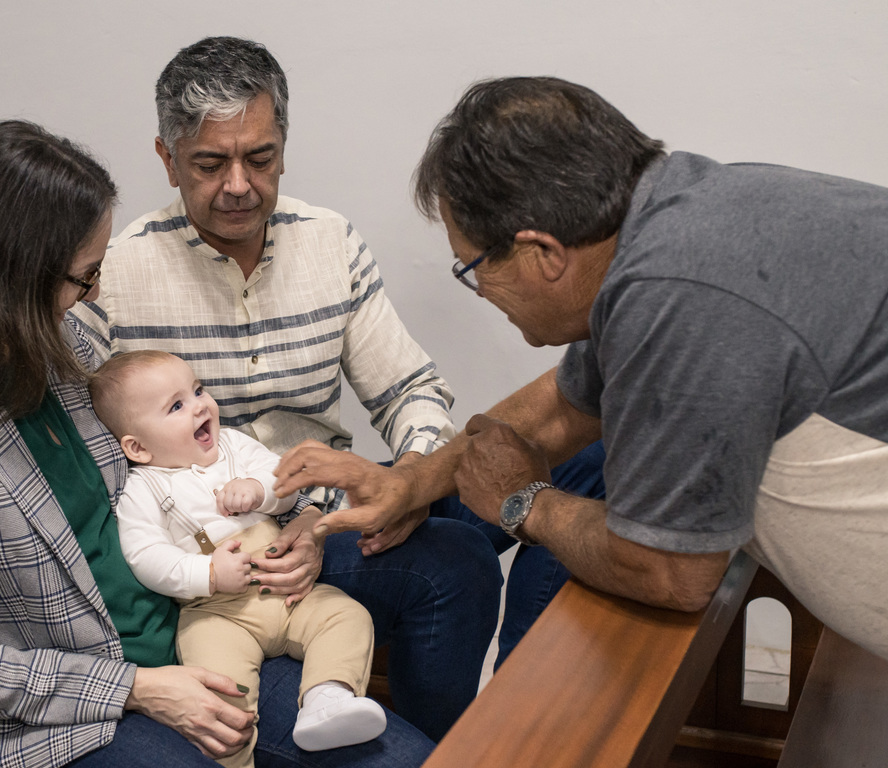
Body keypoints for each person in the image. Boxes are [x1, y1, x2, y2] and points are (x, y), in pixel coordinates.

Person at [274, 76, 888, 768]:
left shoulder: (682, 296)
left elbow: (674, 574)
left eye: (474, 268)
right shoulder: (679, 226)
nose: (479, 289)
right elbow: (566, 402)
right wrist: (413, 480)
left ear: (541, 252)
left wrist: (526, 503)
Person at [0, 119, 432, 768]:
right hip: (72, 719)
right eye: (83, 276)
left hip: (196, 634)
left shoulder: (67, 351)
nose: (92, 295)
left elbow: (178, 475)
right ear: (8, 277)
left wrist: (279, 518)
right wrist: (140, 688)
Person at [70, 37, 598, 711]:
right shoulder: (113, 274)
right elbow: (98, 463)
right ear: (166, 160)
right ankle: (435, 761)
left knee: (577, 459)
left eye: (259, 158)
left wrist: (403, 482)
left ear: (284, 145)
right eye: (209, 164)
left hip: (335, 505)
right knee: (458, 559)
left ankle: (524, 718)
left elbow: (411, 393)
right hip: (225, 543)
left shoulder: (329, 241)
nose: (238, 185)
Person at [89, 349, 387, 768]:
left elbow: (282, 480)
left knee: (346, 616)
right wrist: (206, 574)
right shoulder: (144, 490)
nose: (199, 406)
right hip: (216, 614)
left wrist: (260, 490)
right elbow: (145, 556)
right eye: (177, 406)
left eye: (197, 390)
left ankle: (327, 698)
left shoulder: (234, 445)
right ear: (138, 447)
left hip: (284, 589)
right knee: (220, 692)